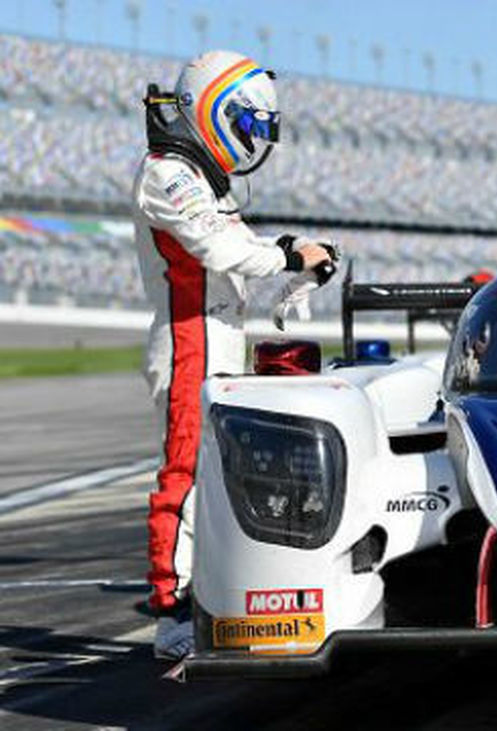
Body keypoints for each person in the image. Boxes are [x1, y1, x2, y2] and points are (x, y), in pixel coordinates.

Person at [133, 50, 334, 660]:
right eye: (247, 124)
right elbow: (222, 250)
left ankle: (210, 594)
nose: (252, 140)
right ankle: (169, 612)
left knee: (218, 478)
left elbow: (245, 249)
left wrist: (294, 254)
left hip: (216, 338)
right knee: (185, 478)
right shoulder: (166, 173)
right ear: (216, 111)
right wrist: (291, 255)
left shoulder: (197, 177)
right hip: (189, 338)